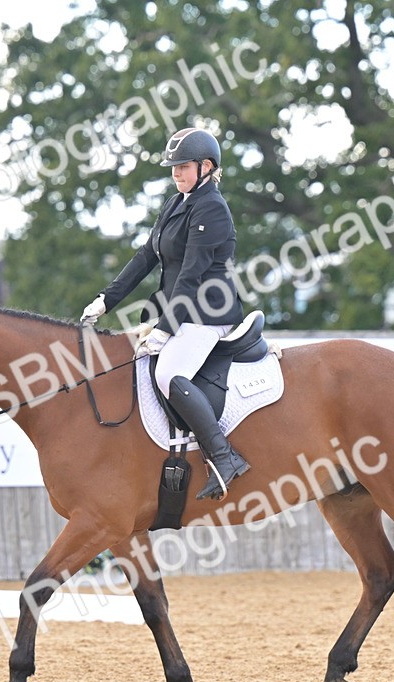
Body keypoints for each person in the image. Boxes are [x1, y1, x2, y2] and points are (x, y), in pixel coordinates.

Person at [80, 127, 248, 501]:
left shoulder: (212, 208)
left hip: (207, 312)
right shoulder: (178, 203)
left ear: (206, 166)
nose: (176, 173)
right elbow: (146, 256)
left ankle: (223, 456)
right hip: (178, 309)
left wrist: (166, 329)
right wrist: (108, 299)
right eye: (173, 167)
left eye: (183, 167)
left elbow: (191, 273)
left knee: (170, 372)